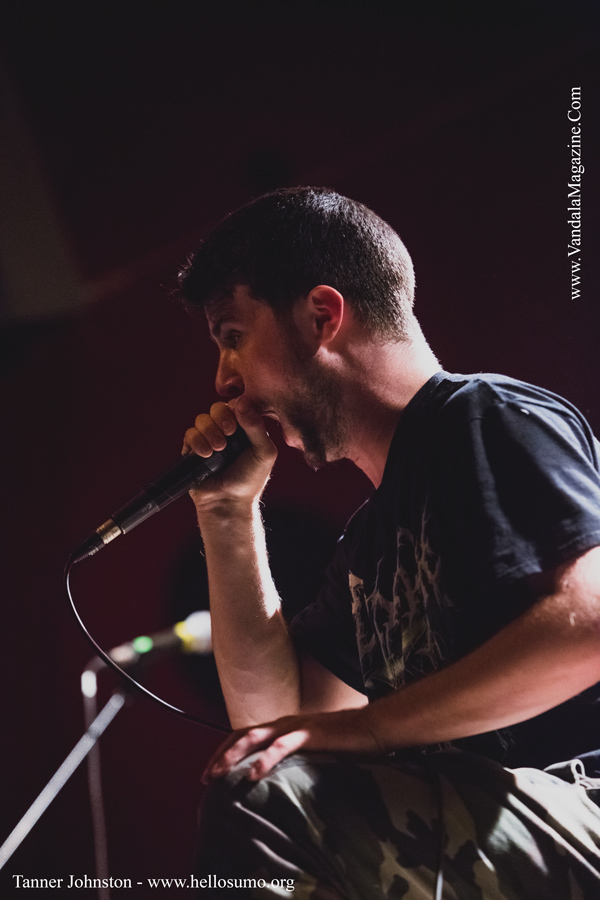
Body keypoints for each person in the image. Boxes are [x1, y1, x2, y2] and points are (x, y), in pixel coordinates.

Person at [177, 187, 600, 898]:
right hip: (486, 831)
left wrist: (375, 729)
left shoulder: (483, 418)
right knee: (263, 784)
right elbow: (277, 729)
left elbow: (590, 623)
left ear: (322, 315)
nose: (223, 379)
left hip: (580, 805)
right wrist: (226, 512)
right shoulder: (370, 546)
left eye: (232, 335)